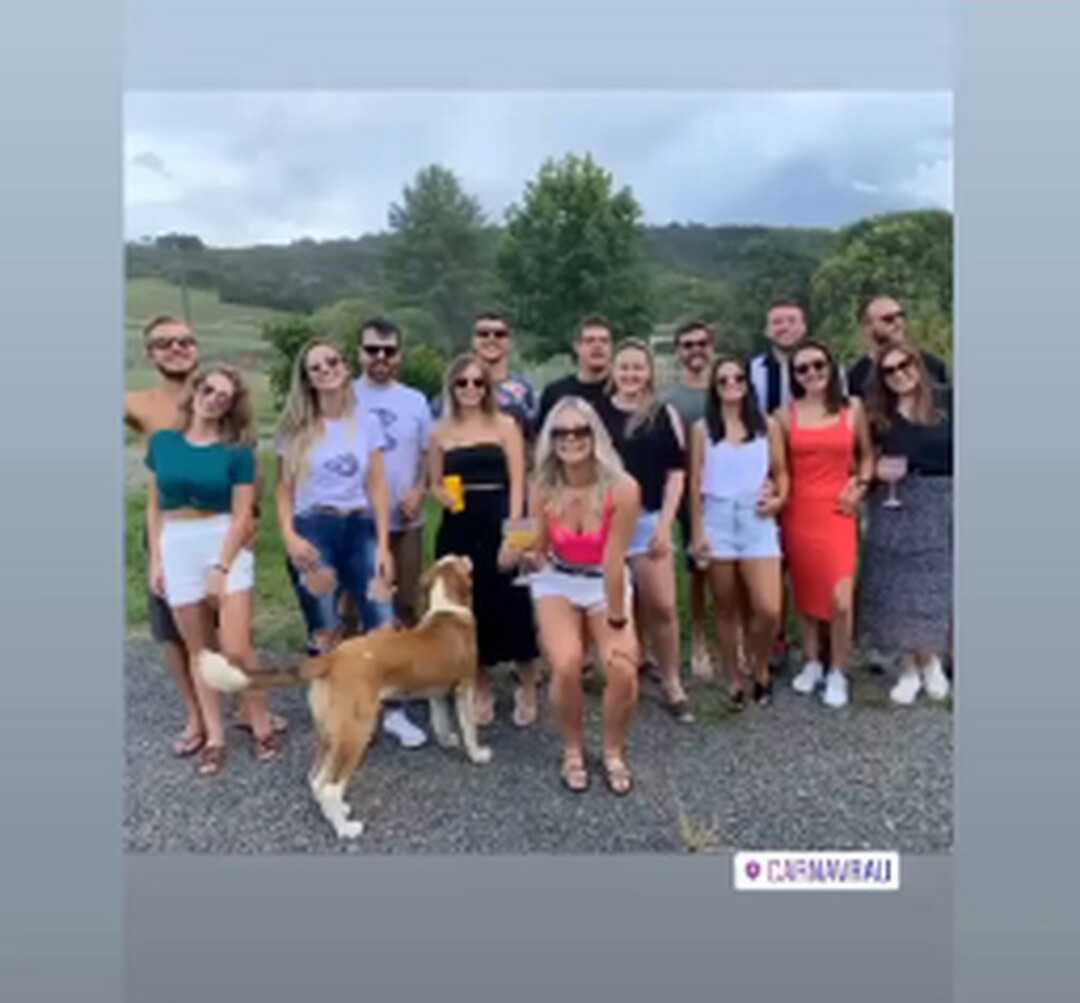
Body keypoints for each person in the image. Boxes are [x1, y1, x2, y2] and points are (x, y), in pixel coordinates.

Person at [126, 315, 283, 757]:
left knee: (236, 646)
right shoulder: (162, 441)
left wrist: (222, 564)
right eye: (208, 390)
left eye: (224, 397)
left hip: (222, 538)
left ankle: (258, 720)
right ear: (196, 391)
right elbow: (155, 506)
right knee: (197, 648)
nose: (214, 399)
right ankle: (213, 735)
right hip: (175, 542)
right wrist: (157, 561)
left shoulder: (238, 450)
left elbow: (243, 511)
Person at [275, 339, 422, 747]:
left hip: (359, 527)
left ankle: (392, 711)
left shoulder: (367, 422)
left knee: (382, 620)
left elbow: (376, 485)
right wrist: (289, 536)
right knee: (325, 625)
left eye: (332, 361)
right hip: (313, 528)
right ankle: (335, 713)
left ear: (345, 366)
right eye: (316, 367)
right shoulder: (295, 429)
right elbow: (284, 490)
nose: (326, 370)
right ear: (307, 379)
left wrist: (384, 545)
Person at [512, 397, 640, 794]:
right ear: (551, 440)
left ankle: (613, 750)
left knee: (621, 666)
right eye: (561, 432)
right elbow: (537, 547)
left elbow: (614, 561)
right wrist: (520, 549)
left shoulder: (622, 488)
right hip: (559, 579)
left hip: (605, 579)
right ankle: (572, 749)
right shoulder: (542, 485)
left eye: (580, 430)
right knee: (566, 663)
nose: (571, 439)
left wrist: (616, 620)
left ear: (595, 435)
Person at [429, 355, 541, 727]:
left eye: (478, 382)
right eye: (462, 383)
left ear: (488, 388)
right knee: (468, 605)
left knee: (513, 601)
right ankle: (480, 683)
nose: (471, 389)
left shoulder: (505, 425)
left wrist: (516, 535)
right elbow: (433, 481)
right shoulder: (440, 431)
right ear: (452, 387)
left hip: (500, 516)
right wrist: (441, 496)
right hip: (459, 523)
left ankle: (527, 681)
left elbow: (520, 483)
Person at [779, 340, 875, 709]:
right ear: (794, 376)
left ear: (831, 367)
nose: (812, 373)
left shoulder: (853, 408)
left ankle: (839, 669)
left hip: (840, 511)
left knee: (840, 598)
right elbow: (780, 468)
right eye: (802, 368)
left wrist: (860, 485)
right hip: (800, 511)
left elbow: (867, 457)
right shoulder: (784, 416)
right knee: (805, 590)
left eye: (818, 365)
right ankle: (812, 661)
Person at [689, 356, 787, 707]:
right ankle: (733, 677)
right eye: (723, 380)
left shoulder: (767, 425)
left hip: (756, 518)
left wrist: (779, 499)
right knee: (725, 606)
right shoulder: (702, 429)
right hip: (717, 518)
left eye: (738, 378)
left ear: (748, 383)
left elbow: (781, 472)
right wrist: (698, 531)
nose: (732, 384)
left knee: (768, 608)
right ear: (714, 388)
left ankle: (759, 667)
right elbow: (695, 483)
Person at [857, 345, 953, 704]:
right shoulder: (877, 415)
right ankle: (909, 668)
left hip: (939, 500)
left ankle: (932, 661)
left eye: (904, 364)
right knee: (897, 589)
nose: (899, 373)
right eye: (889, 370)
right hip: (893, 502)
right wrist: (874, 472)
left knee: (933, 587)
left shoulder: (948, 403)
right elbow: (863, 460)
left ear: (918, 364)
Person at [353, 318, 433, 748]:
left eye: (389, 350)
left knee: (404, 606)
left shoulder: (415, 401)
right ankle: (359, 697)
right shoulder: (343, 396)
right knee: (355, 609)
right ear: (359, 352)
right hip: (358, 523)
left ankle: (398, 700)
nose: (380, 358)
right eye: (372, 349)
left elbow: (428, 456)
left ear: (400, 354)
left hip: (406, 522)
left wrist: (420, 490)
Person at [605, 340, 692, 722]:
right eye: (624, 367)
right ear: (614, 371)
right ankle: (627, 675)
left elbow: (676, 472)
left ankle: (672, 680)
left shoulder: (663, 414)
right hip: (610, 526)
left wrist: (665, 525)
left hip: (649, 521)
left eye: (638, 367)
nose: (631, 375)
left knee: (663, 605)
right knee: (617, 609)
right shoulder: (597, 415)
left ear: (650, 372)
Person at [748, 299, 816, 674]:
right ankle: (774, 637)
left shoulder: (824, 366)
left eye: (791, 320)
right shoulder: (752, 370)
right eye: (777, 321)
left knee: (810, 557)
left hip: (814, 471)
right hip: (765, 475)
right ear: (767, 329)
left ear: (803, 326)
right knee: (771, 559)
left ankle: (819, 637)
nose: (784, 327)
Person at [660, 319, 716, 680]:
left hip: (724, 492)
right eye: (688, 344)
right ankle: (697, 639)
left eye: (701, 343)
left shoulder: (727, 388)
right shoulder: (669, 401)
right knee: (697, 570)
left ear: (711, 347)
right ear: (678, 351)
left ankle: (736, 636)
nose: (696, 350)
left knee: (732, 570)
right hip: (685, 494)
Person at [432, 311, 537, 437]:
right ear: (473, 341)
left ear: (509, 342)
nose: (491, 339)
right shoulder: (458, 388)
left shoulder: (524, 389)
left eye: (499, 334)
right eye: (483, 334)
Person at [845, 295, 949, 401]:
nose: (898, 323)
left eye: (901, 316)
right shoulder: (857, 376)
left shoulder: (933, 365)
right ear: (868, 327)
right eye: (888, 319)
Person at [535, 315, 614, 432]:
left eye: (604, 341)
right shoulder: (555, 393)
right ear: (576, 347)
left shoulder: (621, 391)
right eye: (590, 340)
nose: (598, 346)